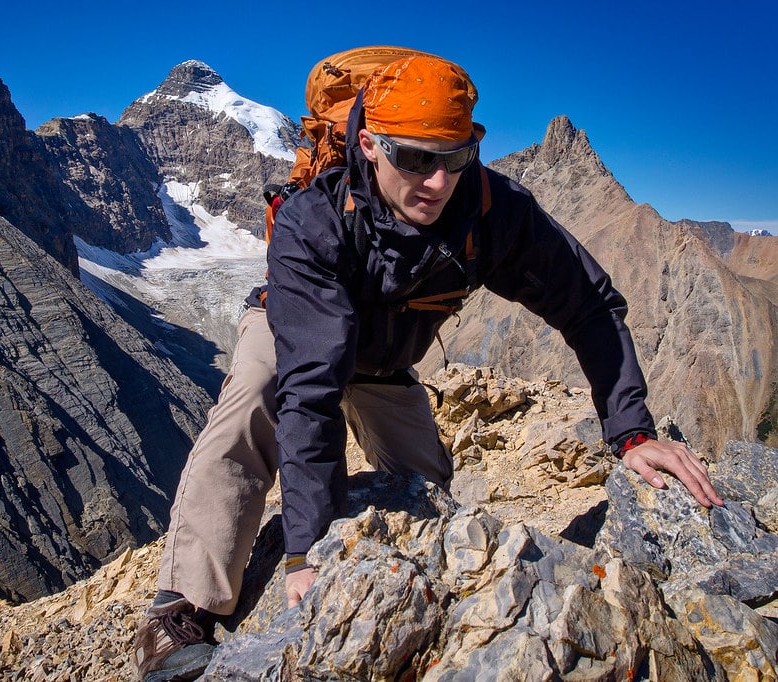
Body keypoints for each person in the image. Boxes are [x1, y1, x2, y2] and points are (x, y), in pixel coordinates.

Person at [132, 51, 723, 681]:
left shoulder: (492, 212)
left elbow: (588, 305)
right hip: (295, 335)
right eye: (415, 157)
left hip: (384, 363)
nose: (438, 181)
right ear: (368, 144)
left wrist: (631, 431)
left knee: (427, 497)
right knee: (256, 394)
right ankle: (179, 609)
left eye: (455, 156)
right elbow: (311, 390)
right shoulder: (314, 221)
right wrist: (308, 552)